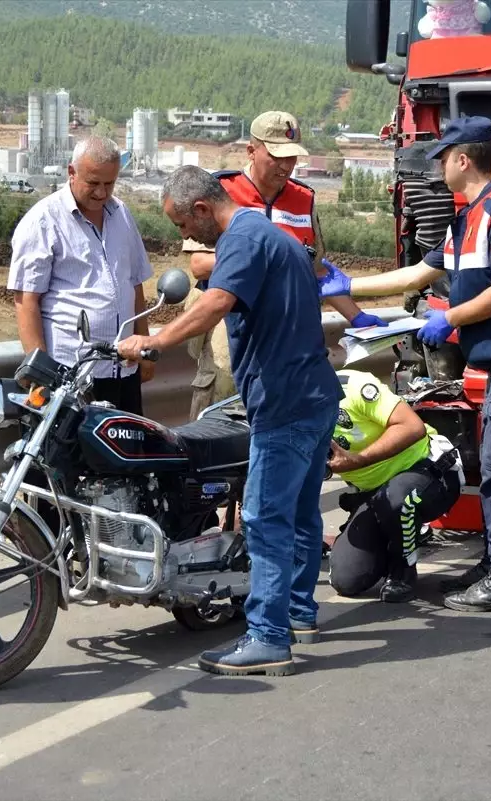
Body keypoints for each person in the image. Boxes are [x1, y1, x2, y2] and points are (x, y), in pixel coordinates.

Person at [319, 115, 491, 614]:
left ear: (462, 158)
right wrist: (348, 287)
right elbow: (419, 272)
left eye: (442, 158)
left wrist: (448, 317)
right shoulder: (467, 219)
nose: (437, 167)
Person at [117, 166, 342, 677]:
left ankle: (267, 635)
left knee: (263, 517)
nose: (186, 237)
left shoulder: (241, 239)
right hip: (313, 393)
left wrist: (154, 341)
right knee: (302, 512)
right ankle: (299, 612)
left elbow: (217, 302)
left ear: (201, 208)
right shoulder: (269, 235)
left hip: (284, 402)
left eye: (183, 225)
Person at [180, 110, 384, 421]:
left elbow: (316, 270)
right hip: (232, 331)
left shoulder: (304, 199)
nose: (286, 166)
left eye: (292, 157)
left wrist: (357, 317)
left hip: (289, 335)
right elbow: (199, 263)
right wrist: (268, 260)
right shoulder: (221, 191)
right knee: (219, 427)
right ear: (251, 150)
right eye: (276, 157)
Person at [8, 136, 155, 415]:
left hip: (123, 371)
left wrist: (145, 347)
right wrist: (40, 374)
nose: (101, 193)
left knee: (126, 455)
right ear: (71, 172)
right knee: (69, 457)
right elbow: (26, 301)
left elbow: (134, 283)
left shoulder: (121, 213)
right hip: (71, 377)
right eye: (93, 183)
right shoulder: (43, 221)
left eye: (109, 184)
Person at [326, 370, 463, 603]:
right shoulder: (286, 405)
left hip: (425, 469)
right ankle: (399, 534)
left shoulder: (354, 387)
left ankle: (403, 570)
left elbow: (412, 427)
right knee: (347, 580)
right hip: (372, 493)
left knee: (398, 499)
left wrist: (355, 460)